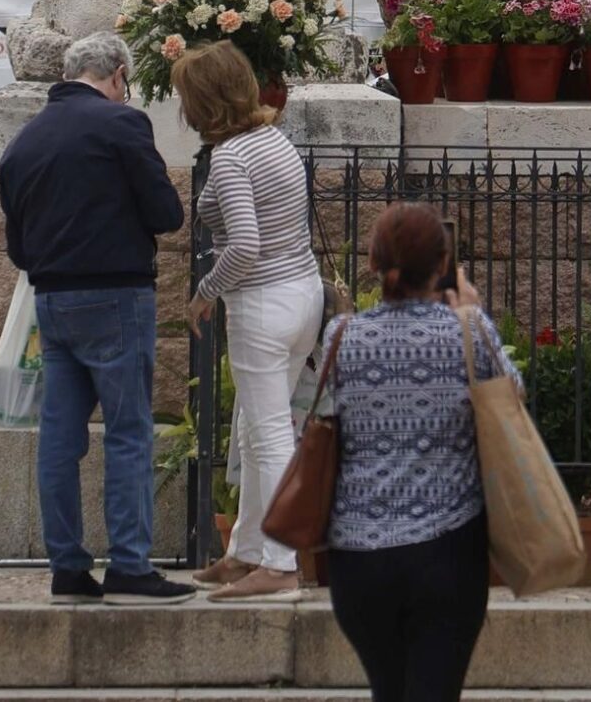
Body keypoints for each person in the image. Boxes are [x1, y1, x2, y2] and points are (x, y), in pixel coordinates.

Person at [0, 31, 193, 603]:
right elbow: (165, 212)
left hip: (52, 299)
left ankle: (68, 568)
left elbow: (15, 243)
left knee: (59, 437)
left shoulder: (25, 139)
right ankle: (130, 565)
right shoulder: (122, 124)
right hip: (116, 293)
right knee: (128, 431)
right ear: (116, 75)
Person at [323, 203, 513, 702]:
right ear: (443, 263)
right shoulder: (467, 333)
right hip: (446, 550)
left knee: (388, 689)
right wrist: (471, 308)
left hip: (358, 557)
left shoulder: (341, 337)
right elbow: (511, 404)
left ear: (373, 264)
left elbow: (318, 419)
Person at [177, 43, 323, 603]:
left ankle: (281, 564)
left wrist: (204, 292)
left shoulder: (234, 157)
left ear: (204, 102)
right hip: (300, 296)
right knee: (256, 427)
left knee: (267, 437)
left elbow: (243, 245)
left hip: (261, 305)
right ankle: (246, 551)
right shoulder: (272, 141)